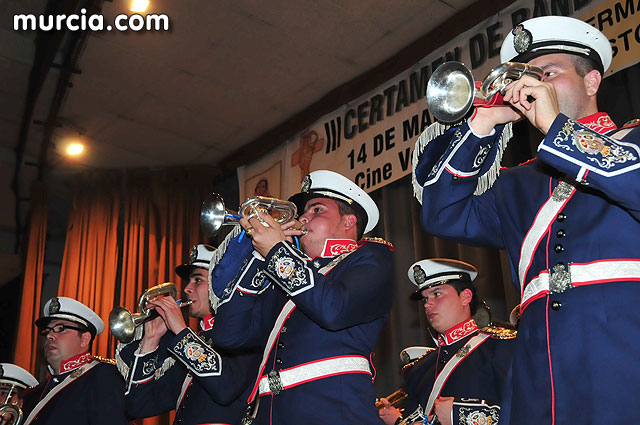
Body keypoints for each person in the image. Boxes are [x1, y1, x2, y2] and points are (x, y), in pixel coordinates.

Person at [412, 16, 640, 425]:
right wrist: (483, 124)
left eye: (550, 73)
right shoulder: (517, 183)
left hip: (623, 349)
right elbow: (441, 214)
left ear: (591, 82)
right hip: (537, 367)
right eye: (529, 78)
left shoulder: (632, 144)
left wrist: (556, 126)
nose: (535, 86)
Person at [210, 169, 395, 425]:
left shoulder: (371, 257)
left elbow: (333, 310)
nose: (303, 218)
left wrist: (277, 251)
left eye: (316, 210)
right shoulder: (288, 274)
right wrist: (260, 258)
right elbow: (228, 335)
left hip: (334, 411)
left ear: (349, 222)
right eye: (304, 212)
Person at [117, 244, 259, 425]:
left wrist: (181, 330)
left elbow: (225, 389)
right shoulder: (191, 342)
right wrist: (150, 341)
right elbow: (138, 407)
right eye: (189, 281)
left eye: (198, 280)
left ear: (222, 281)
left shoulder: (244, 331)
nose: (186, 289)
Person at [378, 259, 515, 425]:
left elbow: (529, 409)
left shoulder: (501, 347)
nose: (428, 304)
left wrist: (459, 415)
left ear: (465, 297)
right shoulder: (419, 368)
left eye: (437, 294)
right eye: (424, 299)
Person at [21, 297, 130, 425]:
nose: (50, 335)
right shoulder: (34, 394)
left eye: (61, 328)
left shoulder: (102, 375)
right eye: (48, 331)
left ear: (85, 339)